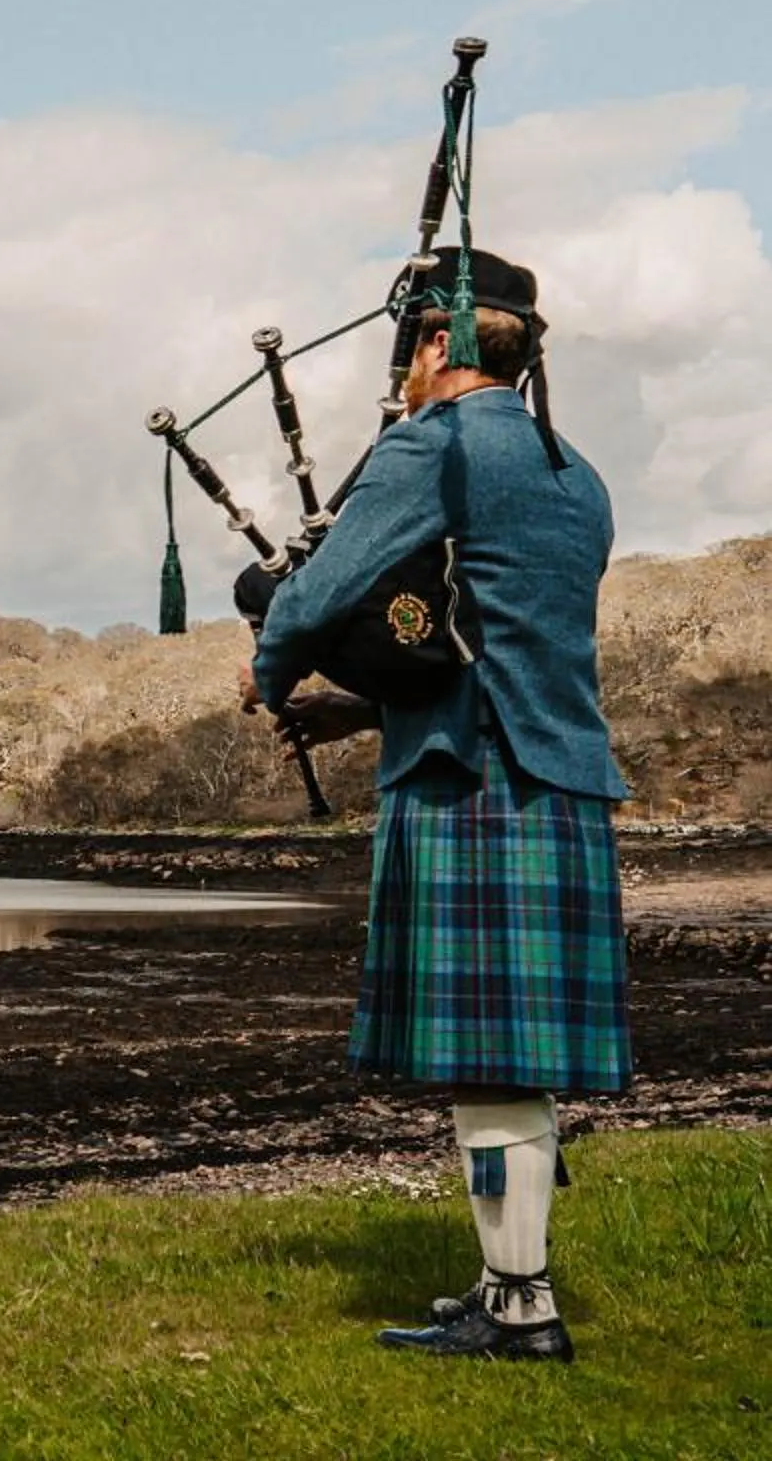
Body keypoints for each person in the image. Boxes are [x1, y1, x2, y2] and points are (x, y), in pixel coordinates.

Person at [236, 248, 627, 1364]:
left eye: (408, 349)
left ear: (441, 342)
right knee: (510, 1060)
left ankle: (523, 1313)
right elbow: (493, 641)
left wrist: (269, 662)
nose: (402, 374)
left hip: (472, 787)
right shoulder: (578, 476)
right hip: (559, 780)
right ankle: (510, 1287)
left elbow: (317, 592)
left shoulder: (436, 444)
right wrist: (360, 713)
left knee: (489, 1060)